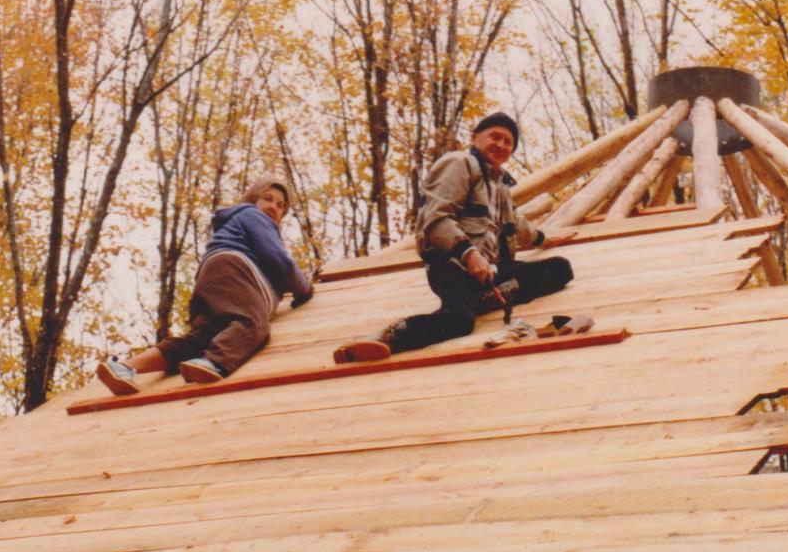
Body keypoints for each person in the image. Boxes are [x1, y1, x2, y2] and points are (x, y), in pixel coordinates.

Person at [333, 112, 576, 363]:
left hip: (491, 271)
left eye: (507, 142)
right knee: (458, 320)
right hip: (452, 266)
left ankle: (483, 297)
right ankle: (388, 337)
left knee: (559, 269)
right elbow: (435, 220)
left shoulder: (500, 187)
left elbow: (518, 224)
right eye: (495, 137)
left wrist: (545, 240)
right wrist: (469, 254)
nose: (501, 145)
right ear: (474, 138)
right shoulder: (459, 164)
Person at [97, 173, 313, 393]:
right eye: (268, 198)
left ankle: (125, 367)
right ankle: (213, 362)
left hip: (214, 281)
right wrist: (304, 289)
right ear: (253, 199)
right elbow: (281, 262)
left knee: (199, 339)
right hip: (234, 270)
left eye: (281, 205)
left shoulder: (244, 226)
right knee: (252, 324)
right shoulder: (253, 215)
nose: (274, 207)